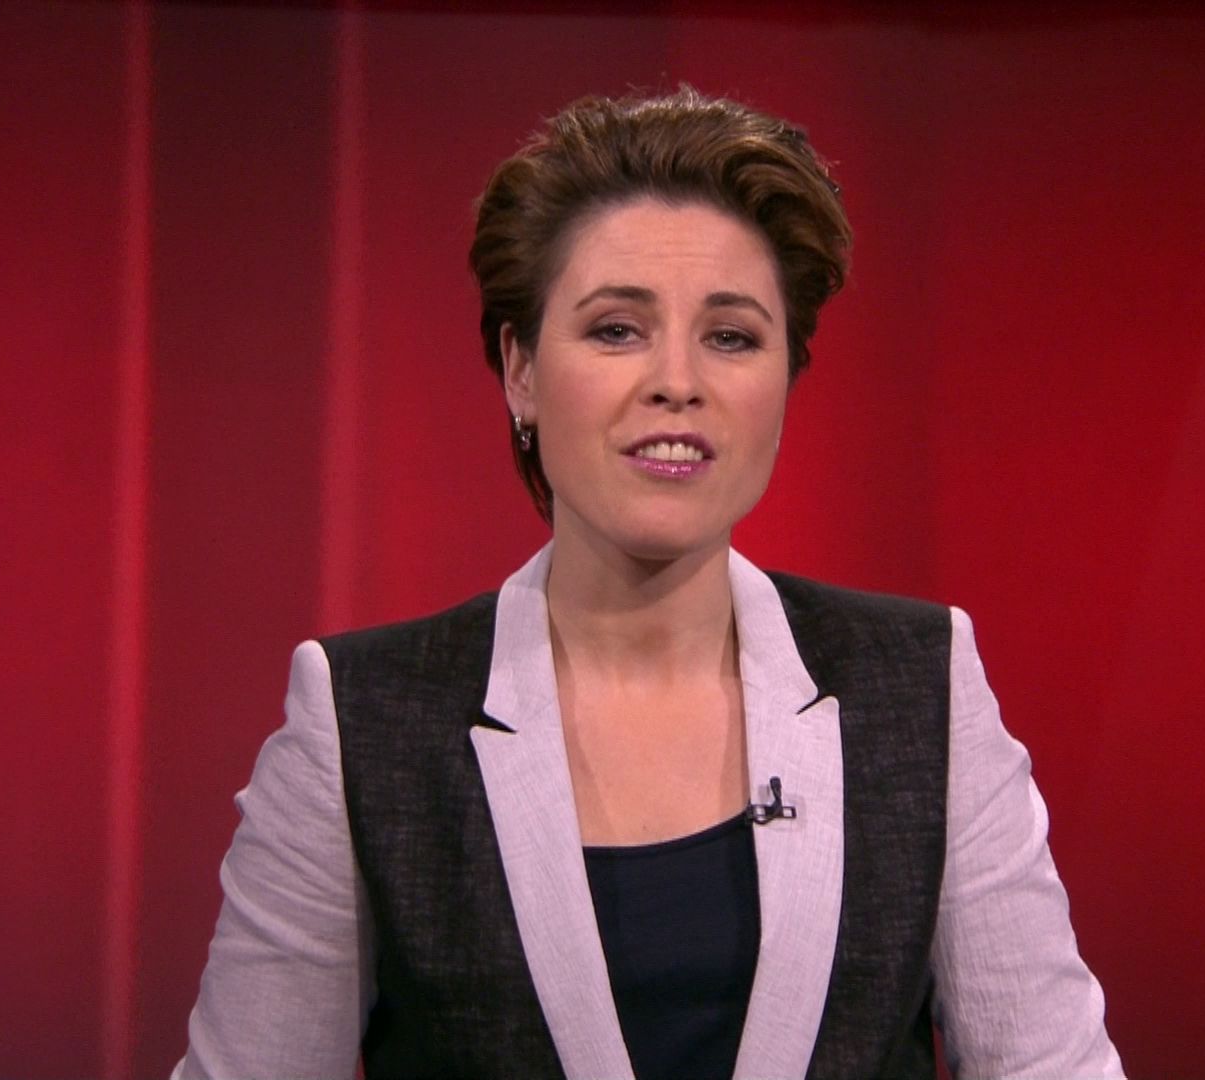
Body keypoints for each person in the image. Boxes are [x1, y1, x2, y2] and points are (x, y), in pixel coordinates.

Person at [173, 86, 1122, 1080]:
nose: (678, 380)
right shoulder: (363, 721)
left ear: (785, 383)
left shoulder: (919, 685)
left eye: (732, 336)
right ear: (520, 370)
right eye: (618, 329)